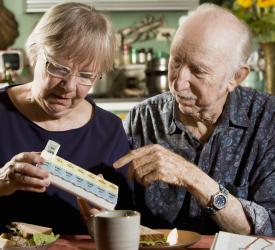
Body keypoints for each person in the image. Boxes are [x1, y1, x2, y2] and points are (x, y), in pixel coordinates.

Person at [113, 3, 275, 236]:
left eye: (198, 71)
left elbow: (270, 226)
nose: (178, 83)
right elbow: (116, 206)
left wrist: (190, 176)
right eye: (176, 62)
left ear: (236, 77)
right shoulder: (142, 118)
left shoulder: (268, 120)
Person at [0, 2, 133, 234]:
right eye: (59, 68)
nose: (68, 87)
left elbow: (126, 224)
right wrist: (2, 182)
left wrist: (102, 222)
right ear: (34, 54)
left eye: (85, 75)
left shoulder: (109, 131)